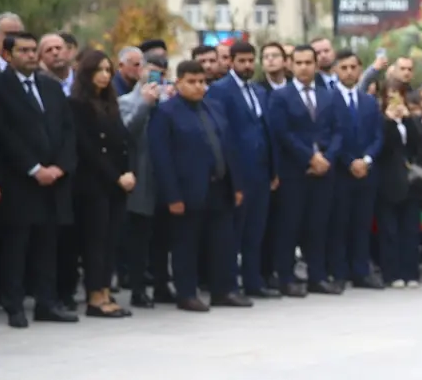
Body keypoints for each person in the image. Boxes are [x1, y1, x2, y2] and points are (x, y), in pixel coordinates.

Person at [147, 60, 250, 312]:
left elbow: (228, 148)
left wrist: (236, 185)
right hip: (187, 190)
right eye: (191, 82)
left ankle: (223, 290)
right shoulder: (166, 112)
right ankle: (187, 293)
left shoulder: (214, 107)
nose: (198, 87)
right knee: (186, 244)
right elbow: (161, 157)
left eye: (202, 82)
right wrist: (172, 195)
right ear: (179, 82)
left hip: (219, 187)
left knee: (223, 242)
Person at [0, 31, 78, 328]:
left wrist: (59, 167)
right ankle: (14, 304)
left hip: (53, 180)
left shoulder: (50, 87)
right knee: (16, 247)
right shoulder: (0, 88)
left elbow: (68, 130)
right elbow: (3, 135)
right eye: (24, 51)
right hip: (20, 180)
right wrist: (33, 168)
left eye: (33, 50)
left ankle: (47, 302)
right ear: (7, 55)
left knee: (48, 243)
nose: (31, 55)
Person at [267, 44, 343, 297]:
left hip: (325, 173)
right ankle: (286, 278)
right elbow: (282, 133)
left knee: (319, 226)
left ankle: (317, 276)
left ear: (315, 64)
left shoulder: (328, 95)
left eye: (308, 62)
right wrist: (310, 158)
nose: (303, 67)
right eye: (298, 63)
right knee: (290, 226)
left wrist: (327, 158)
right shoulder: (281, 96)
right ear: (290, 64)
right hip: (294, 172)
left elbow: (338, 131)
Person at [207, 41, 278, 299]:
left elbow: (267, 131)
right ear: (231, 62)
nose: (247, 66)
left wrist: (273, 170)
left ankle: (253, 281)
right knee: (232, 234)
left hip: (261, 172)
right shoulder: (219, 91)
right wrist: (232, 178)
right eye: (242, 61)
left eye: (251, 61)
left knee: (255, 232)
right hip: (237, 173)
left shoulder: (259, 91)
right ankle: (227, 287)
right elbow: (223, 135)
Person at [69, 49, 134, 318]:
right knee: (95, 241)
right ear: (87, 73)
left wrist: (128, 172)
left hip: (117, 184)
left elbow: (122, 142)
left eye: (108, 70)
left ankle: (105, 291)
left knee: (111, 240)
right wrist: (115, 176)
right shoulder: (77, 105)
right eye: (100, 70)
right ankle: (94, 296)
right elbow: (88, 149)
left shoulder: (111, 103)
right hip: (93, 183)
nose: (105, 76)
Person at [329, 50, 385, 290]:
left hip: (367, 171)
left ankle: (361, 271)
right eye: (344, 67)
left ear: (360, 70)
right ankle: (340, 272)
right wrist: (349, 161)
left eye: (353, 67)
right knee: (340, 223)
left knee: (362, 223)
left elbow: (378, 136)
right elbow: (332, 136)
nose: (349, 72)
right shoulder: (328, 99)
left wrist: (367, 159)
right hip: (342, 172)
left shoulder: (369, 101)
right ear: (336, 71)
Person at [118, 53, 169, 309]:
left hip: (166, 177)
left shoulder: (170, 101)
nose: (153, 76)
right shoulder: (126, 102)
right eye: (149, 71)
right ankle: (138, 290)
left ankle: (162, 285)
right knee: (139, 239)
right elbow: (126, 133)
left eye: (159, 72)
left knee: (163, 238)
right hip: (141, 177)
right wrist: (145, 104)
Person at [376, 81, 422, 288]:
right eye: (391, 95)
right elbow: (382, 147)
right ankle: (391, 272)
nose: (395, 99)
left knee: (410, 228)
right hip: (388, 181)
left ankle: (410, 271)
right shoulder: (380, 121)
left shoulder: (410, 120)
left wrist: (409, 119)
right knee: (389, 229)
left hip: (410, 181)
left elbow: (419, 146)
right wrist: (388, 120)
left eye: (399, 94)